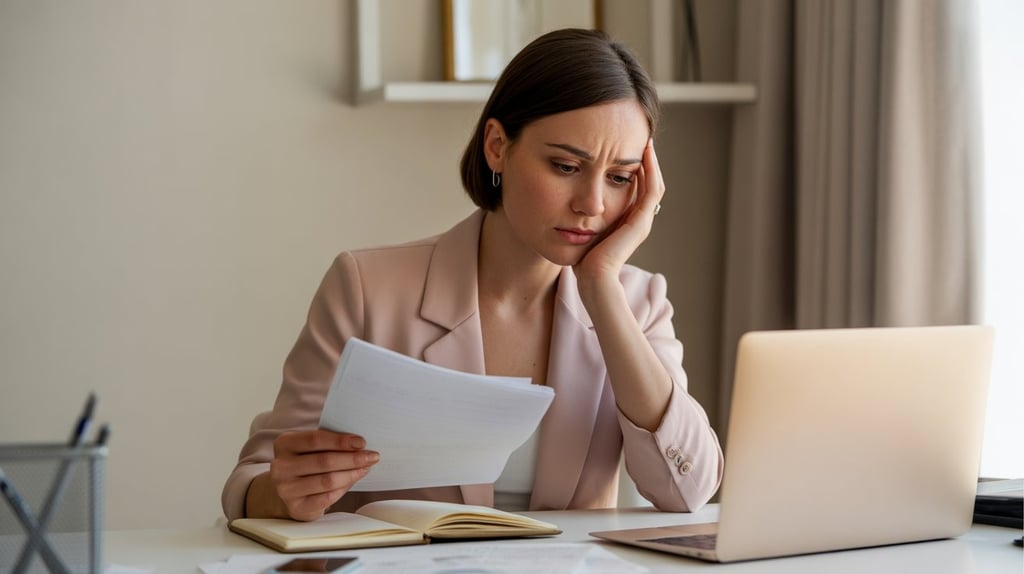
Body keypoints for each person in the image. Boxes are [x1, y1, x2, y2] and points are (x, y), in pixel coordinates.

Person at [222, 28, 723, 523]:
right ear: (497, 146)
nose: (592, 204)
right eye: (566, 166)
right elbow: (254, 481)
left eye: (619, 178)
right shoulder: (366, 287)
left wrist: (600, 288)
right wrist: (282, 492)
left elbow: (688, 491)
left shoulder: (637, 300)